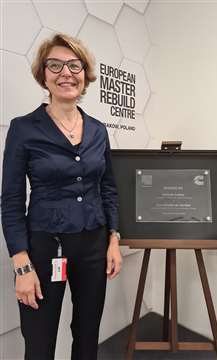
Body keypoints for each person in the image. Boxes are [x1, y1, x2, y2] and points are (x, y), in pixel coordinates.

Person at [1, 33, 122, 360]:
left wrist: (113, 239)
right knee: (39, 343)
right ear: (43, 74)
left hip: (94, 246)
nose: (65, 73)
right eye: (55, 65)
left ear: (85, 74)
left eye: (74, 65)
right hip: (43, 248)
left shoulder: (98, 129)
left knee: (87, 336)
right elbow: (11, 201)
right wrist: (22, 266)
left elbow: (108, 186)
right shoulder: (23, 128)